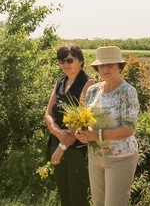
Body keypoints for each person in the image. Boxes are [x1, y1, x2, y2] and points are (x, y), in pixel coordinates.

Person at [76, 46, 139, 206]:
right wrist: (82, 133)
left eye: (110, 65)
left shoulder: (127, 92)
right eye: (102, 65)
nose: (105, 69)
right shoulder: (92, 90)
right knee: (98, 203)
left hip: (120, 158)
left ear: (119, 67)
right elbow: (86, 121)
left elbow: (129, 128)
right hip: (95, 156)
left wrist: (96, 135)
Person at [45, 44, 95, 206]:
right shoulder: (60, 82)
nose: (65, 64)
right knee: (64, 196)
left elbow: (81, 118)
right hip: (57, 141)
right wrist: (57, 132)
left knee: (78, 197)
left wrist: (61, 148)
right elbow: (48, 114)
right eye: (61, 61)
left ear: (80, 61)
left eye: (69, 60)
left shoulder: (88, 83)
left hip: (76, 148)